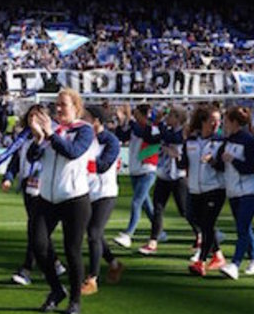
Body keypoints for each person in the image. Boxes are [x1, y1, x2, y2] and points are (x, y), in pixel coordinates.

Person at [27, 89, 93, 314]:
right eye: (56, 104)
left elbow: (72, 152)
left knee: (72, 250)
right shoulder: (52, 130)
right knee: (38, 243)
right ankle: (56, 289)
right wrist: (39, 138)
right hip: (47, 197)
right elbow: (32, 157)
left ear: (76, 107)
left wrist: (50, 135)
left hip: (74, 198)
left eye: (63, 104)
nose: (58, 109)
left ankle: (75, 300)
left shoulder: (84, 130)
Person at [0, 105, 64, 286]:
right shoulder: (23, 138)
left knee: (35, 229)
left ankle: (26, 269)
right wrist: (8, 177)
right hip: (28, 185)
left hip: (44, 186)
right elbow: (16, 160)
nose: (33, 120)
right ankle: (55, 263)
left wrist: (41, 137)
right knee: (38, 230)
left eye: (37, 116)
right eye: (31, 116)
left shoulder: (52, 137)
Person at [216, 107, 254, 280]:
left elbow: (252, 167)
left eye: (226, 121)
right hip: (234, 190)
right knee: (244, 226)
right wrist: (213, 161)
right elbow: (221, 164)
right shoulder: (228, 141)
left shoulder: (249, 140)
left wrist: (233, 160)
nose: (224, 124)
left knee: (242, 226)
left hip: (250, 190)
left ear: (234, 122)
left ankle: (235, 264)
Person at [81, 105, 124, 295]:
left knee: (93, 233)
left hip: (105, 193)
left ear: (96, 121)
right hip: (87, 192)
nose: (82, 121)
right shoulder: (84, 138)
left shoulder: (110, 141)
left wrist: (81, 163)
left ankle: (92, 278)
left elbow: (103, 165)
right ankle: (114, 264)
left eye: (86, 118)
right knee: (95, 234)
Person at [182, 105, 229, 276]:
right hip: (195, 189)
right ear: (203, 121)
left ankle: (200, 262)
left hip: (215, 188)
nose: (216, 124)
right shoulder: (191, 141)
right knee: (195, 219)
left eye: (219, 121)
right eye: (212, 120)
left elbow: (224, 166)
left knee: (208, 224)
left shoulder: (221, 142)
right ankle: (218, 255)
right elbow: (184, 163)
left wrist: (212, 162)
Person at [140, 106, 191, 255]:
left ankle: (203, 234)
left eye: (170, 116)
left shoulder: (182, 133)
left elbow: (173, 140)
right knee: (158, 208)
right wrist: (154, 122)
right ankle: (153, 241)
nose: (167, 118)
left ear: (177, 118)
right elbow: (149, 137)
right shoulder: (167, 132)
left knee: (184, 210)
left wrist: (159, 124)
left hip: (178, 176)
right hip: (164, 175)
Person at [114, 103, 159, 248]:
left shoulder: (152, 128)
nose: (134, 115)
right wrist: (122, 122)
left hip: (148, 170)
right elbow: (121, 136)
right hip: (136, 170)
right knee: (146, 205)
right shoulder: (135, 127)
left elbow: (143, 134)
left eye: (137, 113)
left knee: (136, 202)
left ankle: (128, 234)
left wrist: (129, 119)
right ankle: (158, 231)